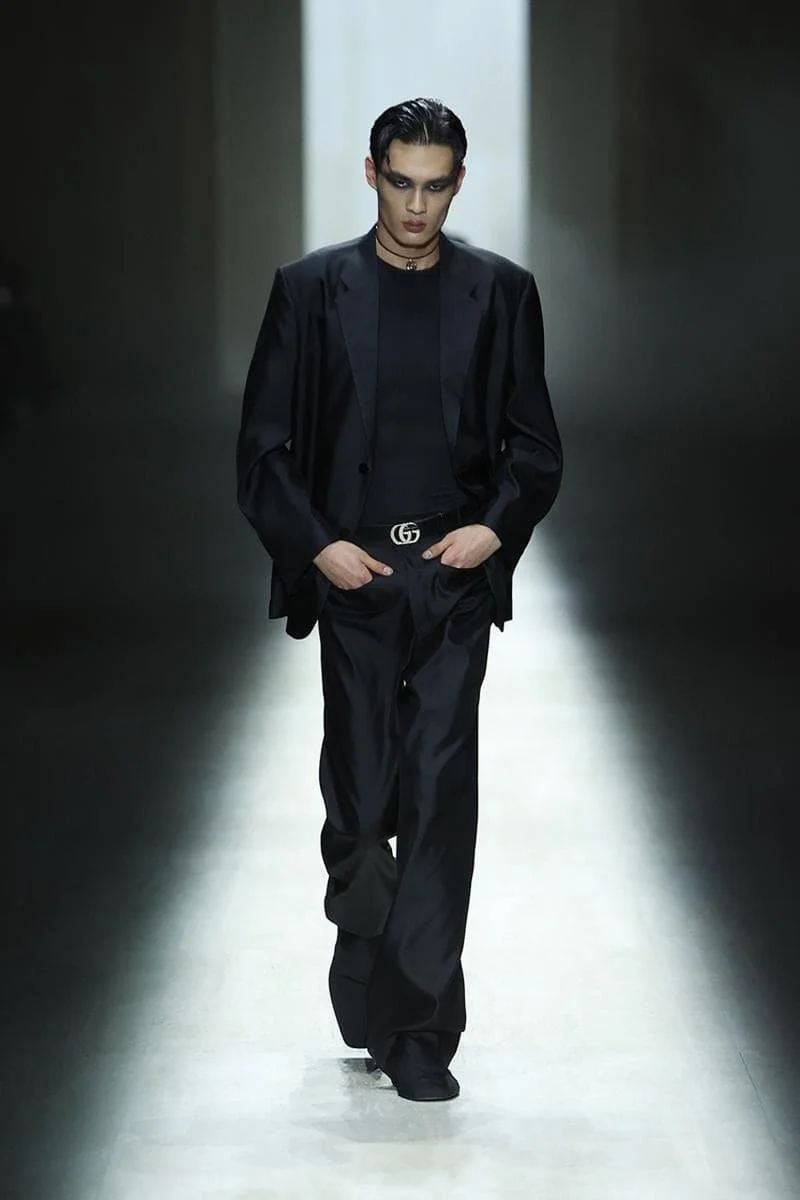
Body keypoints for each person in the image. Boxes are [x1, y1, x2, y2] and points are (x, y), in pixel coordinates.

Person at [236, 98, 562, 1102]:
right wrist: (320, 547)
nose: (416, 206)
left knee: (437, 799)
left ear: (457, 182)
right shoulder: (309, 290)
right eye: (400, 182)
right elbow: (262, 449)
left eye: (435, 185)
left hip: (452, 577)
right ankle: (363, 949)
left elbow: (534, 446)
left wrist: (493, 530)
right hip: (357, 578)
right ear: (371, 173)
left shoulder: (500, 292)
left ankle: (418, 1030)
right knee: (363, 802)